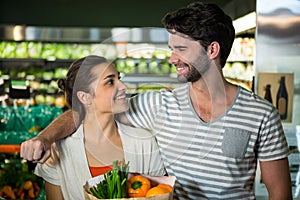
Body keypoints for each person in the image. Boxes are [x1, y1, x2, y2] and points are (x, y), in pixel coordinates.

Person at [21, 2, 292, 199]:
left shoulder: (261, 115)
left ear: (212, 50)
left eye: (181, 49)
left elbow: (279, 191)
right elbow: (86, 111)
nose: (172, 58)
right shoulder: (157, 105)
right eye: (171, 48)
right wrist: (46, 138)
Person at [30, 55, 165, 200]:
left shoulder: (145, 142)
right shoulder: (59, 152)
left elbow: (160, 193)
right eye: (110, 82)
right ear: (85, 97)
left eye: (119, 78)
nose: (123, 86)